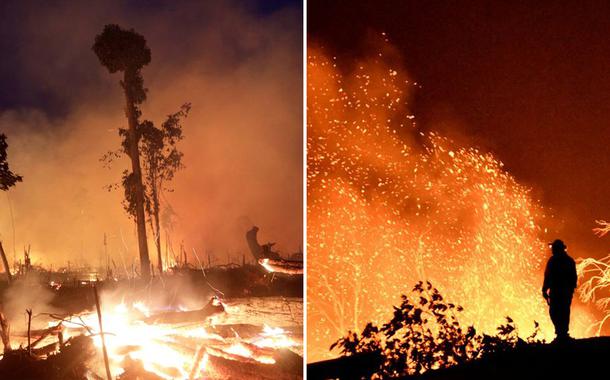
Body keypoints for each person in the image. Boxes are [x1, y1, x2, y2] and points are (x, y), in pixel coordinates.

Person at [542, 239, 577, 341]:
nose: (551, 250)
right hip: (563, 292)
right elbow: (574, 278)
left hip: (559, 292)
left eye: (553, 248)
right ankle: (562, 333)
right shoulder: (569, 261)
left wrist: (544, 290)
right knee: (562, 311)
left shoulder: (554, 261)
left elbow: (547, 276)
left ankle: (562, 334)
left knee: (557, 311)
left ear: (557, 249)